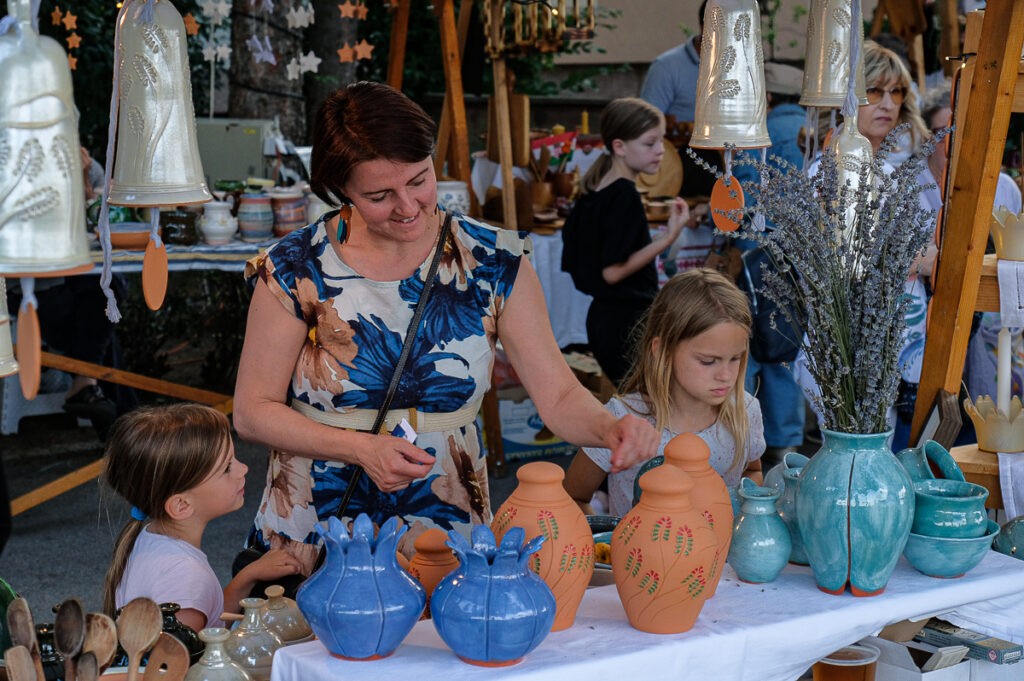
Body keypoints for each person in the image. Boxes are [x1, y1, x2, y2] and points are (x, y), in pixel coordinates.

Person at [232, 82, 660, 571]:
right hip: (314, 516)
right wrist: (360, 449)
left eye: (419, 180)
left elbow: (559, 395)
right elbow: (252, 411)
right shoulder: (295, 266)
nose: (408, 206)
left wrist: (610, 428)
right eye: (379, 195)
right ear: (341, 188)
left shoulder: (493, 261)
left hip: (446, 514)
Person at [564, 269, 766, 518]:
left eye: (735, 358)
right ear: (662, 350)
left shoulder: (744, 412)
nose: (725, 375)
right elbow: (572, 497)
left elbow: (752, 471)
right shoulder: (622, 420)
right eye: (708, 361)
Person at [102, 403, 303, 630]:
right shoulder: (185, 577)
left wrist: (248, 576)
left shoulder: (148, 538)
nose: (243, 469)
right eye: (226, 468)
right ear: (181, 505)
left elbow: (209, 618)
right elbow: (192, 651)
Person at [560, 97, 690, 386]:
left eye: (661, 140)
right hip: (627, 324)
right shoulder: (624, 195)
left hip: (608, 322)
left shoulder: (595, 189)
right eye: (650, 143)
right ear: (619, 147)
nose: (660, 150)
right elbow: (612, 272)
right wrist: (669, 237)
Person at [732, 62, 808, 470]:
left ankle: (740, 440)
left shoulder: (756, 135)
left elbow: (738, 205)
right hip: (801, 261)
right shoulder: (814, 132)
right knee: (785, 348)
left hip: (756, 259)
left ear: (767, 97)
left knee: (745, 348)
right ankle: (787, 445)